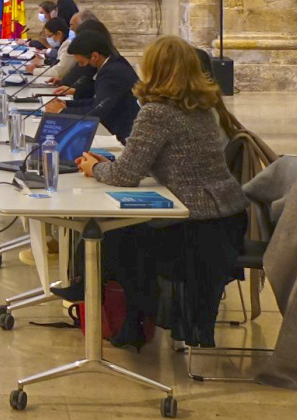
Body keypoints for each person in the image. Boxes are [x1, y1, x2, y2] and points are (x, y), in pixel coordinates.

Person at [58, 35, 248, 347]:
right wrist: (111, 161)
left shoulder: (157, 112)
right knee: (125, 234)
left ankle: (114, 307)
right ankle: (125, 315)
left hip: (196, 231)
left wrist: (95, 168)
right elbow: (160, 159)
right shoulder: (201, 106)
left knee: (116, 234)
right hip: (226, 222)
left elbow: (125, 175)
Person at [45, 30, 140, 140]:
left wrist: (61, 111)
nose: (81, 66)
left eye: (82, 62)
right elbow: (97, 101)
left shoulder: (112, 72)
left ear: (94, 56)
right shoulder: (112, 63)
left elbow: (98, 110)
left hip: (121, 133)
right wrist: (66, 104)